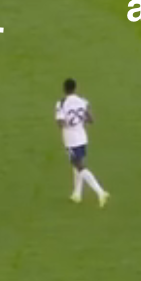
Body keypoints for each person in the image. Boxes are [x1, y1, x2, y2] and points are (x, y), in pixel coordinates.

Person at [56, 78, 108, 206]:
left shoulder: (61, 103)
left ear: (64, 89)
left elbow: (60, 123)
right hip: (82, 138)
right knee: (77, 165)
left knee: (79, 166)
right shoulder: (83, 101)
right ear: (75, 88)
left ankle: (100, 192)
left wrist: (69, 123)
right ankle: (77, 194)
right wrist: (80, 119)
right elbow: (91, 119)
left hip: (71, 140)